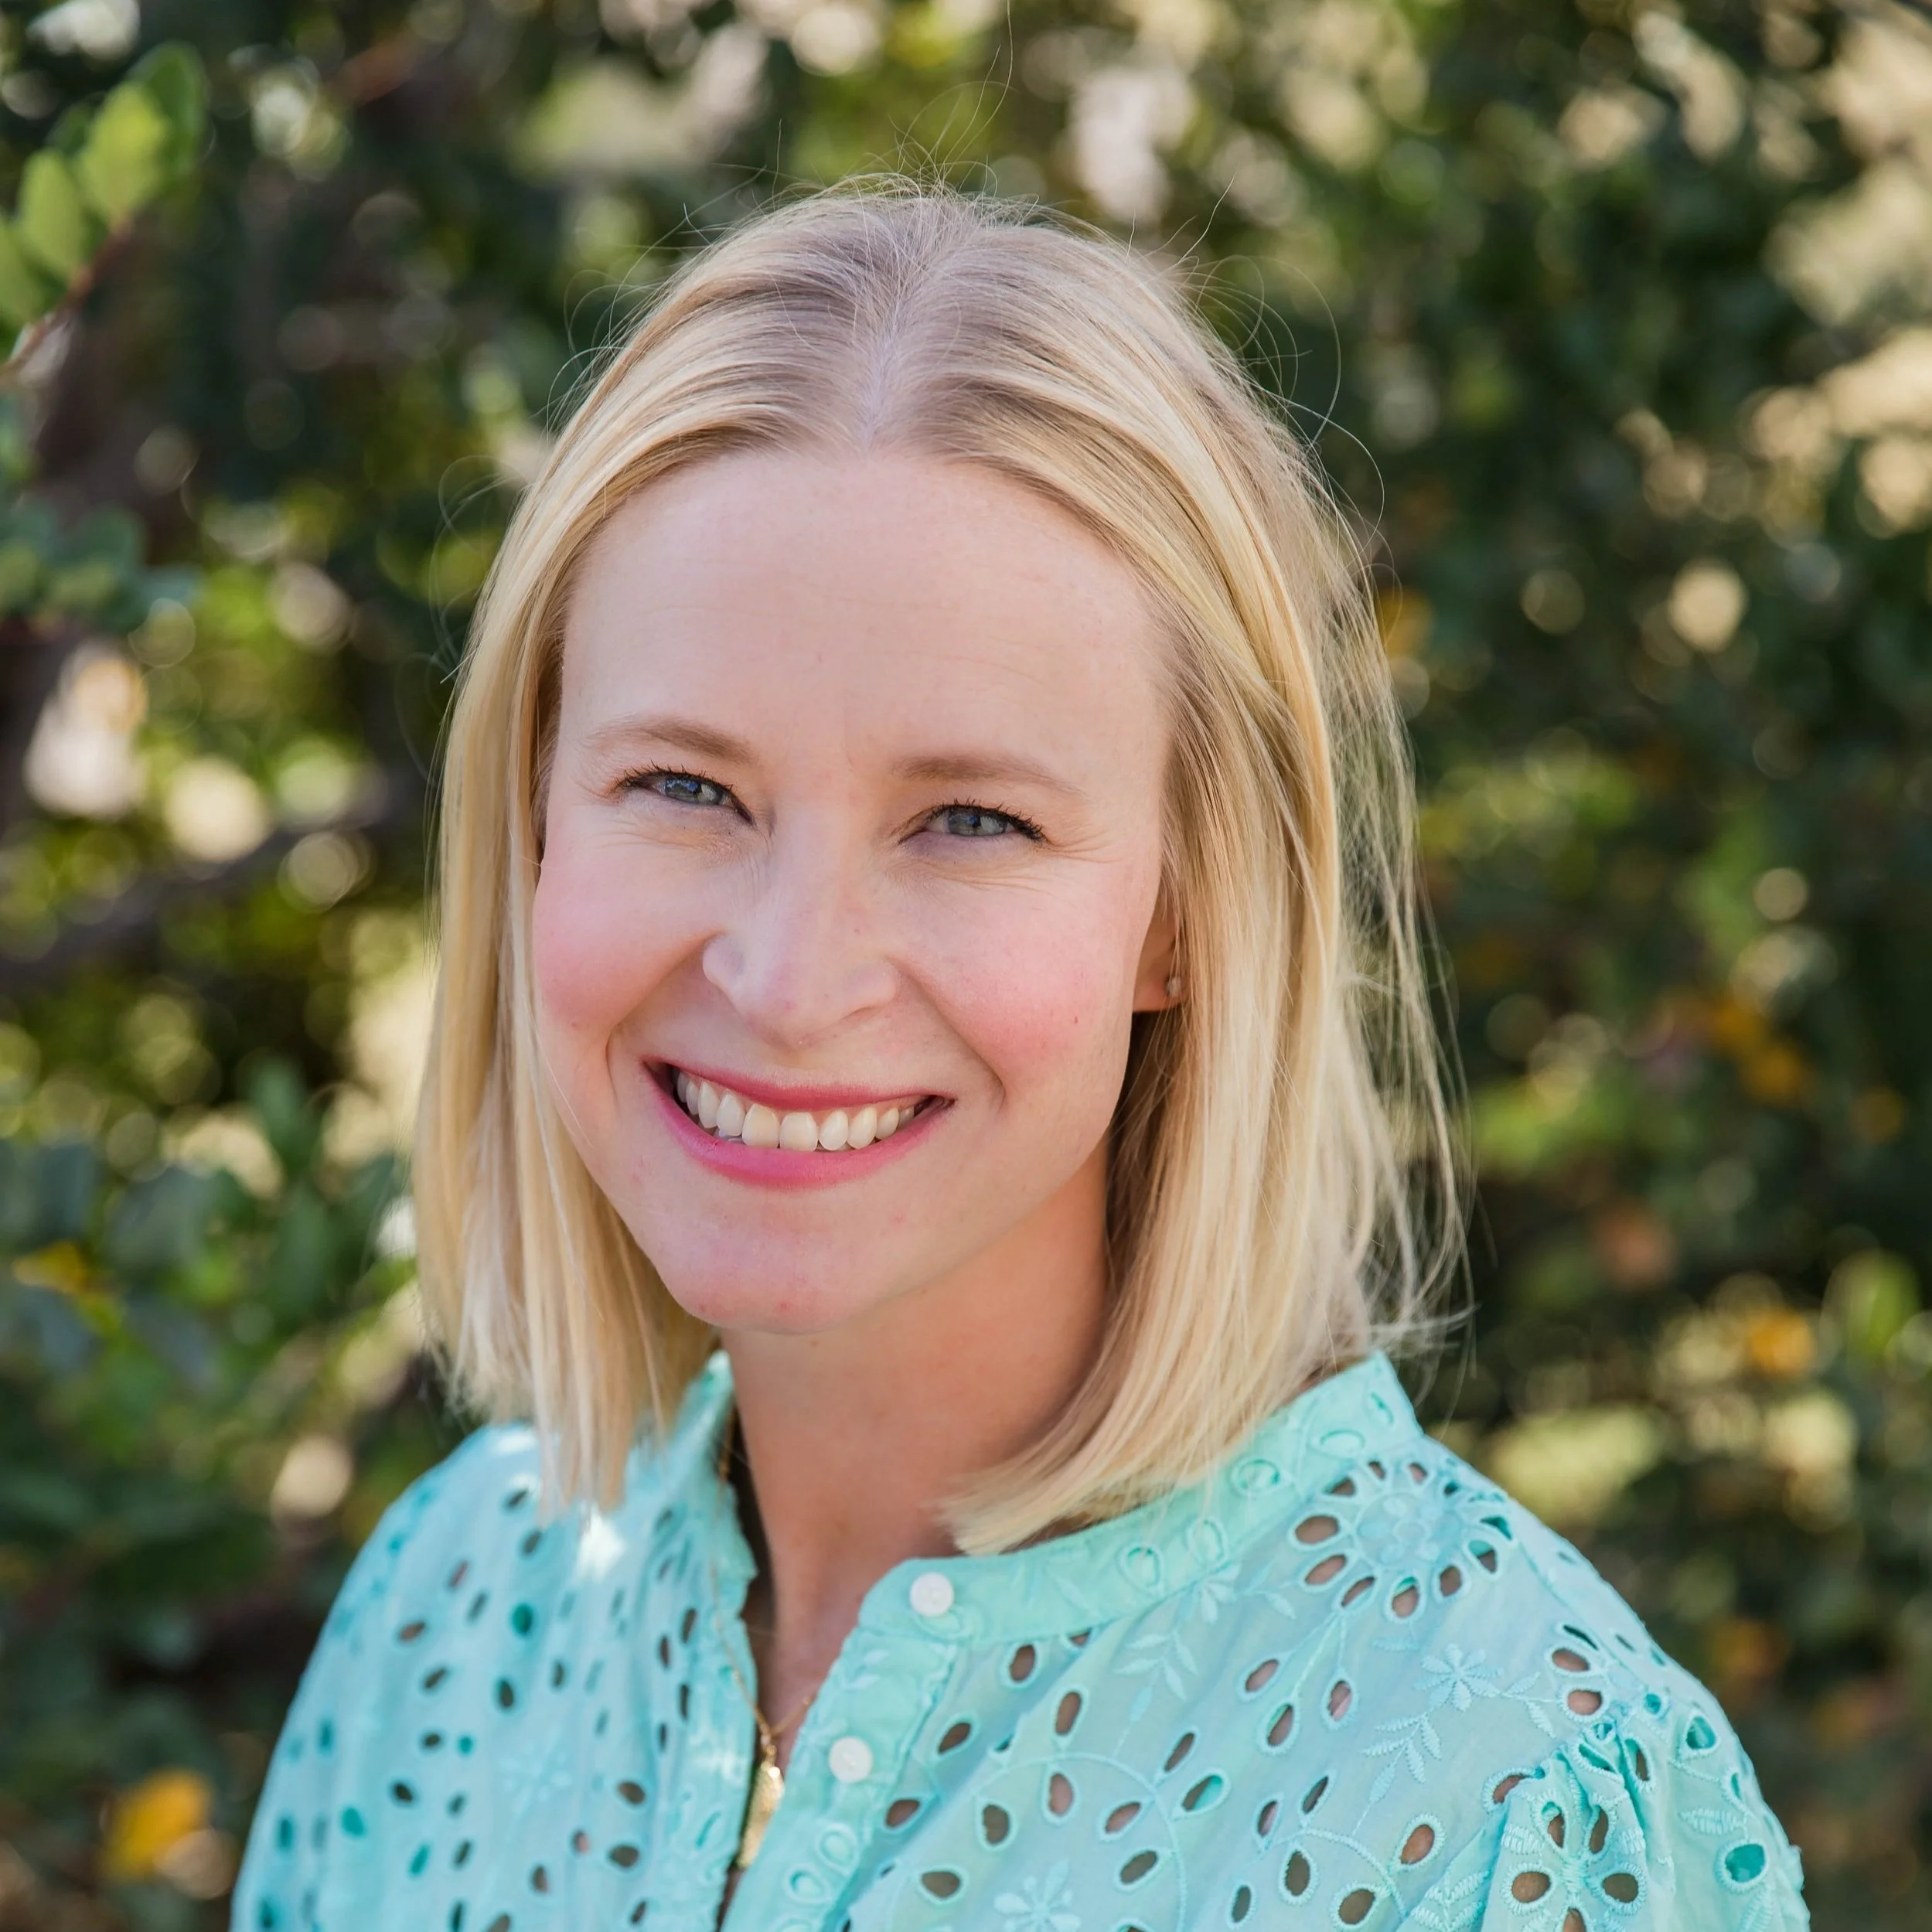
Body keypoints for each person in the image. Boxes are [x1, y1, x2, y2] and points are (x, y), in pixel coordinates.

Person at [230, 184, 1807, 1932]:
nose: (785, 973)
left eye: (968, 819)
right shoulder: (457, 1613)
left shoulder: (1502, 1788)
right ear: (530, 821)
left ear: (1184, 916)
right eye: (685, 788)